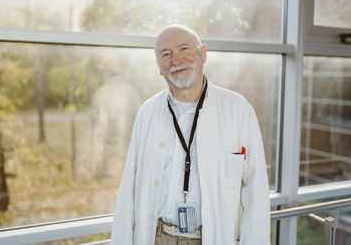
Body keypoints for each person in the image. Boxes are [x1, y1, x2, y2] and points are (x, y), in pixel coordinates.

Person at [111, 25, 270, 245]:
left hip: (212, 238)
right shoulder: (147, 112)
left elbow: (257, 193)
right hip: (157, 237)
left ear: (203, 54)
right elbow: (129, 188)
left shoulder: (238, 110)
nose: (175, 60)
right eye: (166, 55)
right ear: (159, 67)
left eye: (184, 49)